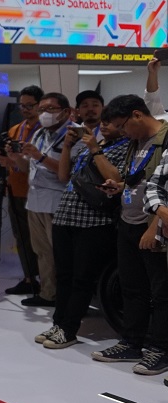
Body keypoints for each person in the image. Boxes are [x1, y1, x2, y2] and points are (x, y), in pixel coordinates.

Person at [90, 94, 168, 376]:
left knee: (161, 292)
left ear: (137, 115)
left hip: (153, 226)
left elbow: (163, 190)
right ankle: (132, 343)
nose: (121, 132)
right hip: (127, 222)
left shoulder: (165, 140)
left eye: (122, 126)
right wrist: (120, 186)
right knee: (131, 287)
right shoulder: (135, 142)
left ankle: (160, 349)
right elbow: (139, 180)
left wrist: (153, 227)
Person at [38, 110, 128, 348]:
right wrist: (68, 146)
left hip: (93, 221)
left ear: (123, 125)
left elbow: (115, 177)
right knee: (63, 276)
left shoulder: (125, 147)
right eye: (103, 122)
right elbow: (63, 176)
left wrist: (95, 149)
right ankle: (58, 324)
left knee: (82, 278)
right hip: (65, 216)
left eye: (111, 123)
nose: (105, 126)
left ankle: (69, 329)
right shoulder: (91, 144)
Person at [14, 92, 74, 307]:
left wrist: (39, 156)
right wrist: (14, 156)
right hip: (35, 200)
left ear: (65, 111)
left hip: (58, 200)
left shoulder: (74, 134)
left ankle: (67, 297)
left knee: (61, 253)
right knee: (42, 251)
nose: (44, 114)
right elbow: (26, 167)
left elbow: (67, 173)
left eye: (50, 109)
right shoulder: (39, 133)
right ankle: (48, 293)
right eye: (41, 110)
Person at [0, 86, 42, 296]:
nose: (25, 109)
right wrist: (0, 155)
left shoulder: (43, 130)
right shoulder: (15, 130)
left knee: (40, 240)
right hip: (15, 188)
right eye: (22, 105)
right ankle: (29, 278)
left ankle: (46, 280)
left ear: (39, 105)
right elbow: (7, 161)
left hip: (38, 191)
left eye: (30, 105)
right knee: (21, 237)